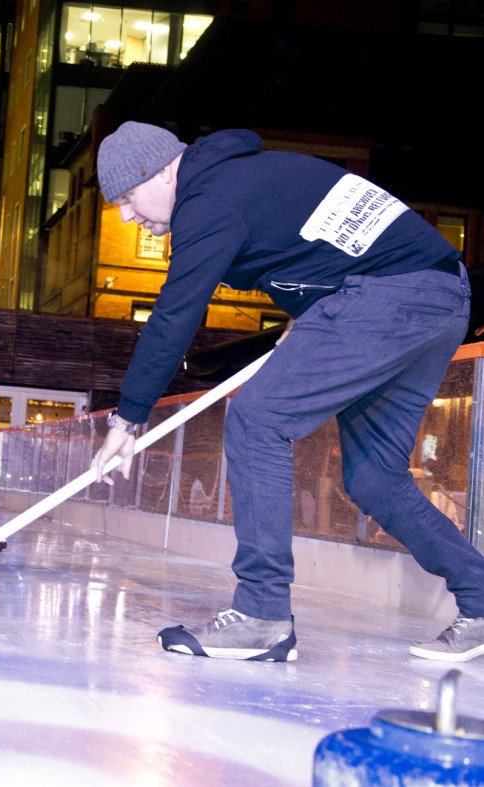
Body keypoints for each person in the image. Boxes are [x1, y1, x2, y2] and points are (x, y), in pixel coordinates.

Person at [89, 121, 480, 662]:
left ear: (160, 172)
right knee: (373, 477)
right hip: (440, 294)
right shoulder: (245, 179)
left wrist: (127, 419)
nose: (129, 216)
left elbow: (174, 317)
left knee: (257, 419)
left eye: (128, 198)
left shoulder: (209, 200)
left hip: (393, 296)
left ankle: (261, 613)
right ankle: (482, 599)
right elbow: (321, 255)